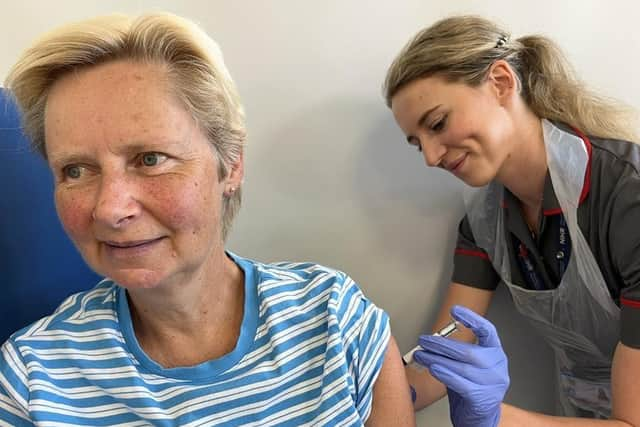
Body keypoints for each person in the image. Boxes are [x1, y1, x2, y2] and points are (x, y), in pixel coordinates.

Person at [0, 13, 415, 426]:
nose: (110, 208)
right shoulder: (32, 381)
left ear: (231, 164)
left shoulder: (335, 323)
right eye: (75, 170)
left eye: (150, 159)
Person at [383, 14, 640, 426]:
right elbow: (442, 354)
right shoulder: (486, 221)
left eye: (437, 123)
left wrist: (494, 418)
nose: (431, 157)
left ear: (501, 82)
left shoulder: (626, 198)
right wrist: (362, 392)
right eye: (418, 144)